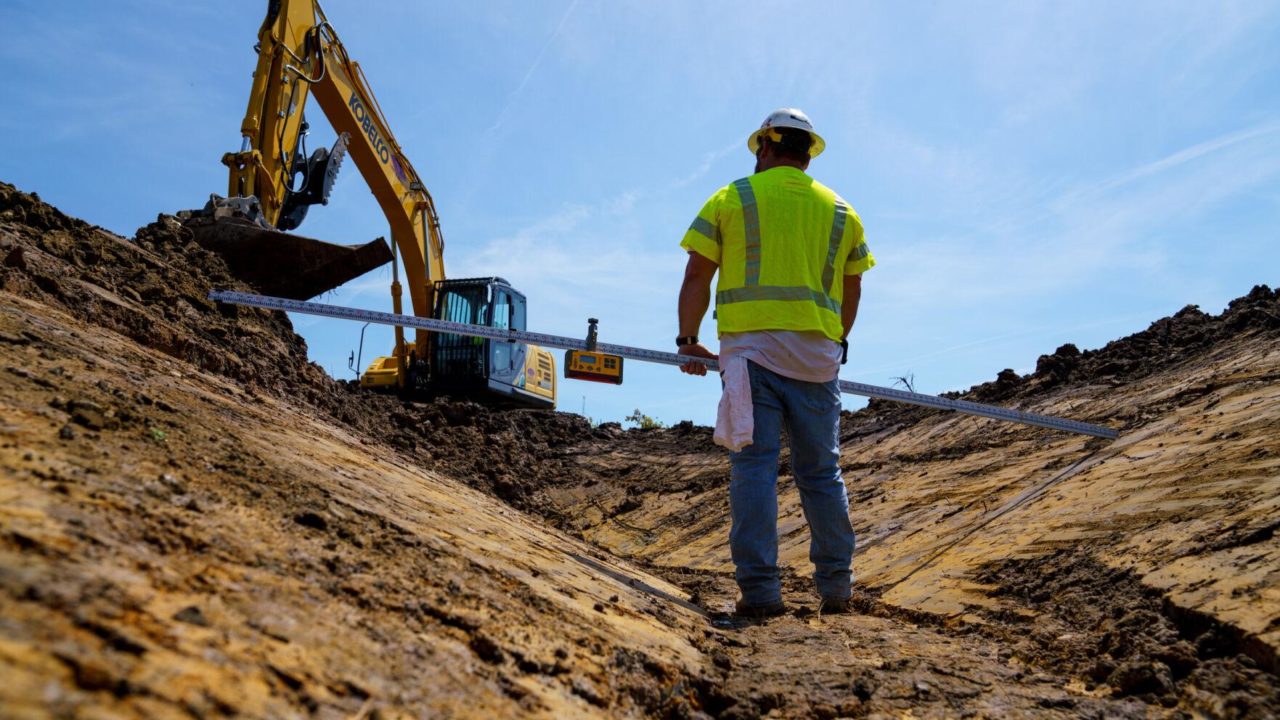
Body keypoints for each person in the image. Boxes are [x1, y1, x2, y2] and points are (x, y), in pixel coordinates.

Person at [675, 108, 875, 617]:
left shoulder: (732, 197)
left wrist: (687, 339)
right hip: (816, 360)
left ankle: (761, 594)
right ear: (808, 153)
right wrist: (838, 340)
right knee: (822, 474)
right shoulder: (842, 211)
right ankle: (836, 588)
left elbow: (698, 274)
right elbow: (853, 287)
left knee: (754, 470)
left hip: (748, 355)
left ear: (765, 146)